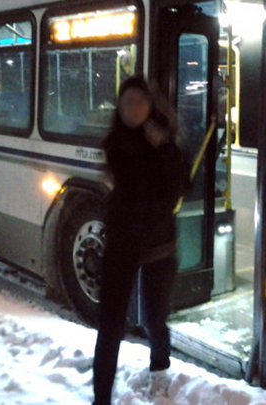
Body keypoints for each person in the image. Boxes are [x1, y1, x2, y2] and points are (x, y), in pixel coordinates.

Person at [92, 76, 188, 405]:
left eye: (140, 100)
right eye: (127, 101)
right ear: (119, 107)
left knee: (153, 320)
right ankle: (101, 397)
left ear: (151, 105)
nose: (133, 106)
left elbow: (179, 186)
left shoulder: (165, 143)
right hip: (121, 244)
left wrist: (163, 146)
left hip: (159, 244)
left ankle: (159, 373)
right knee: (110, 326)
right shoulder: (114, 143)